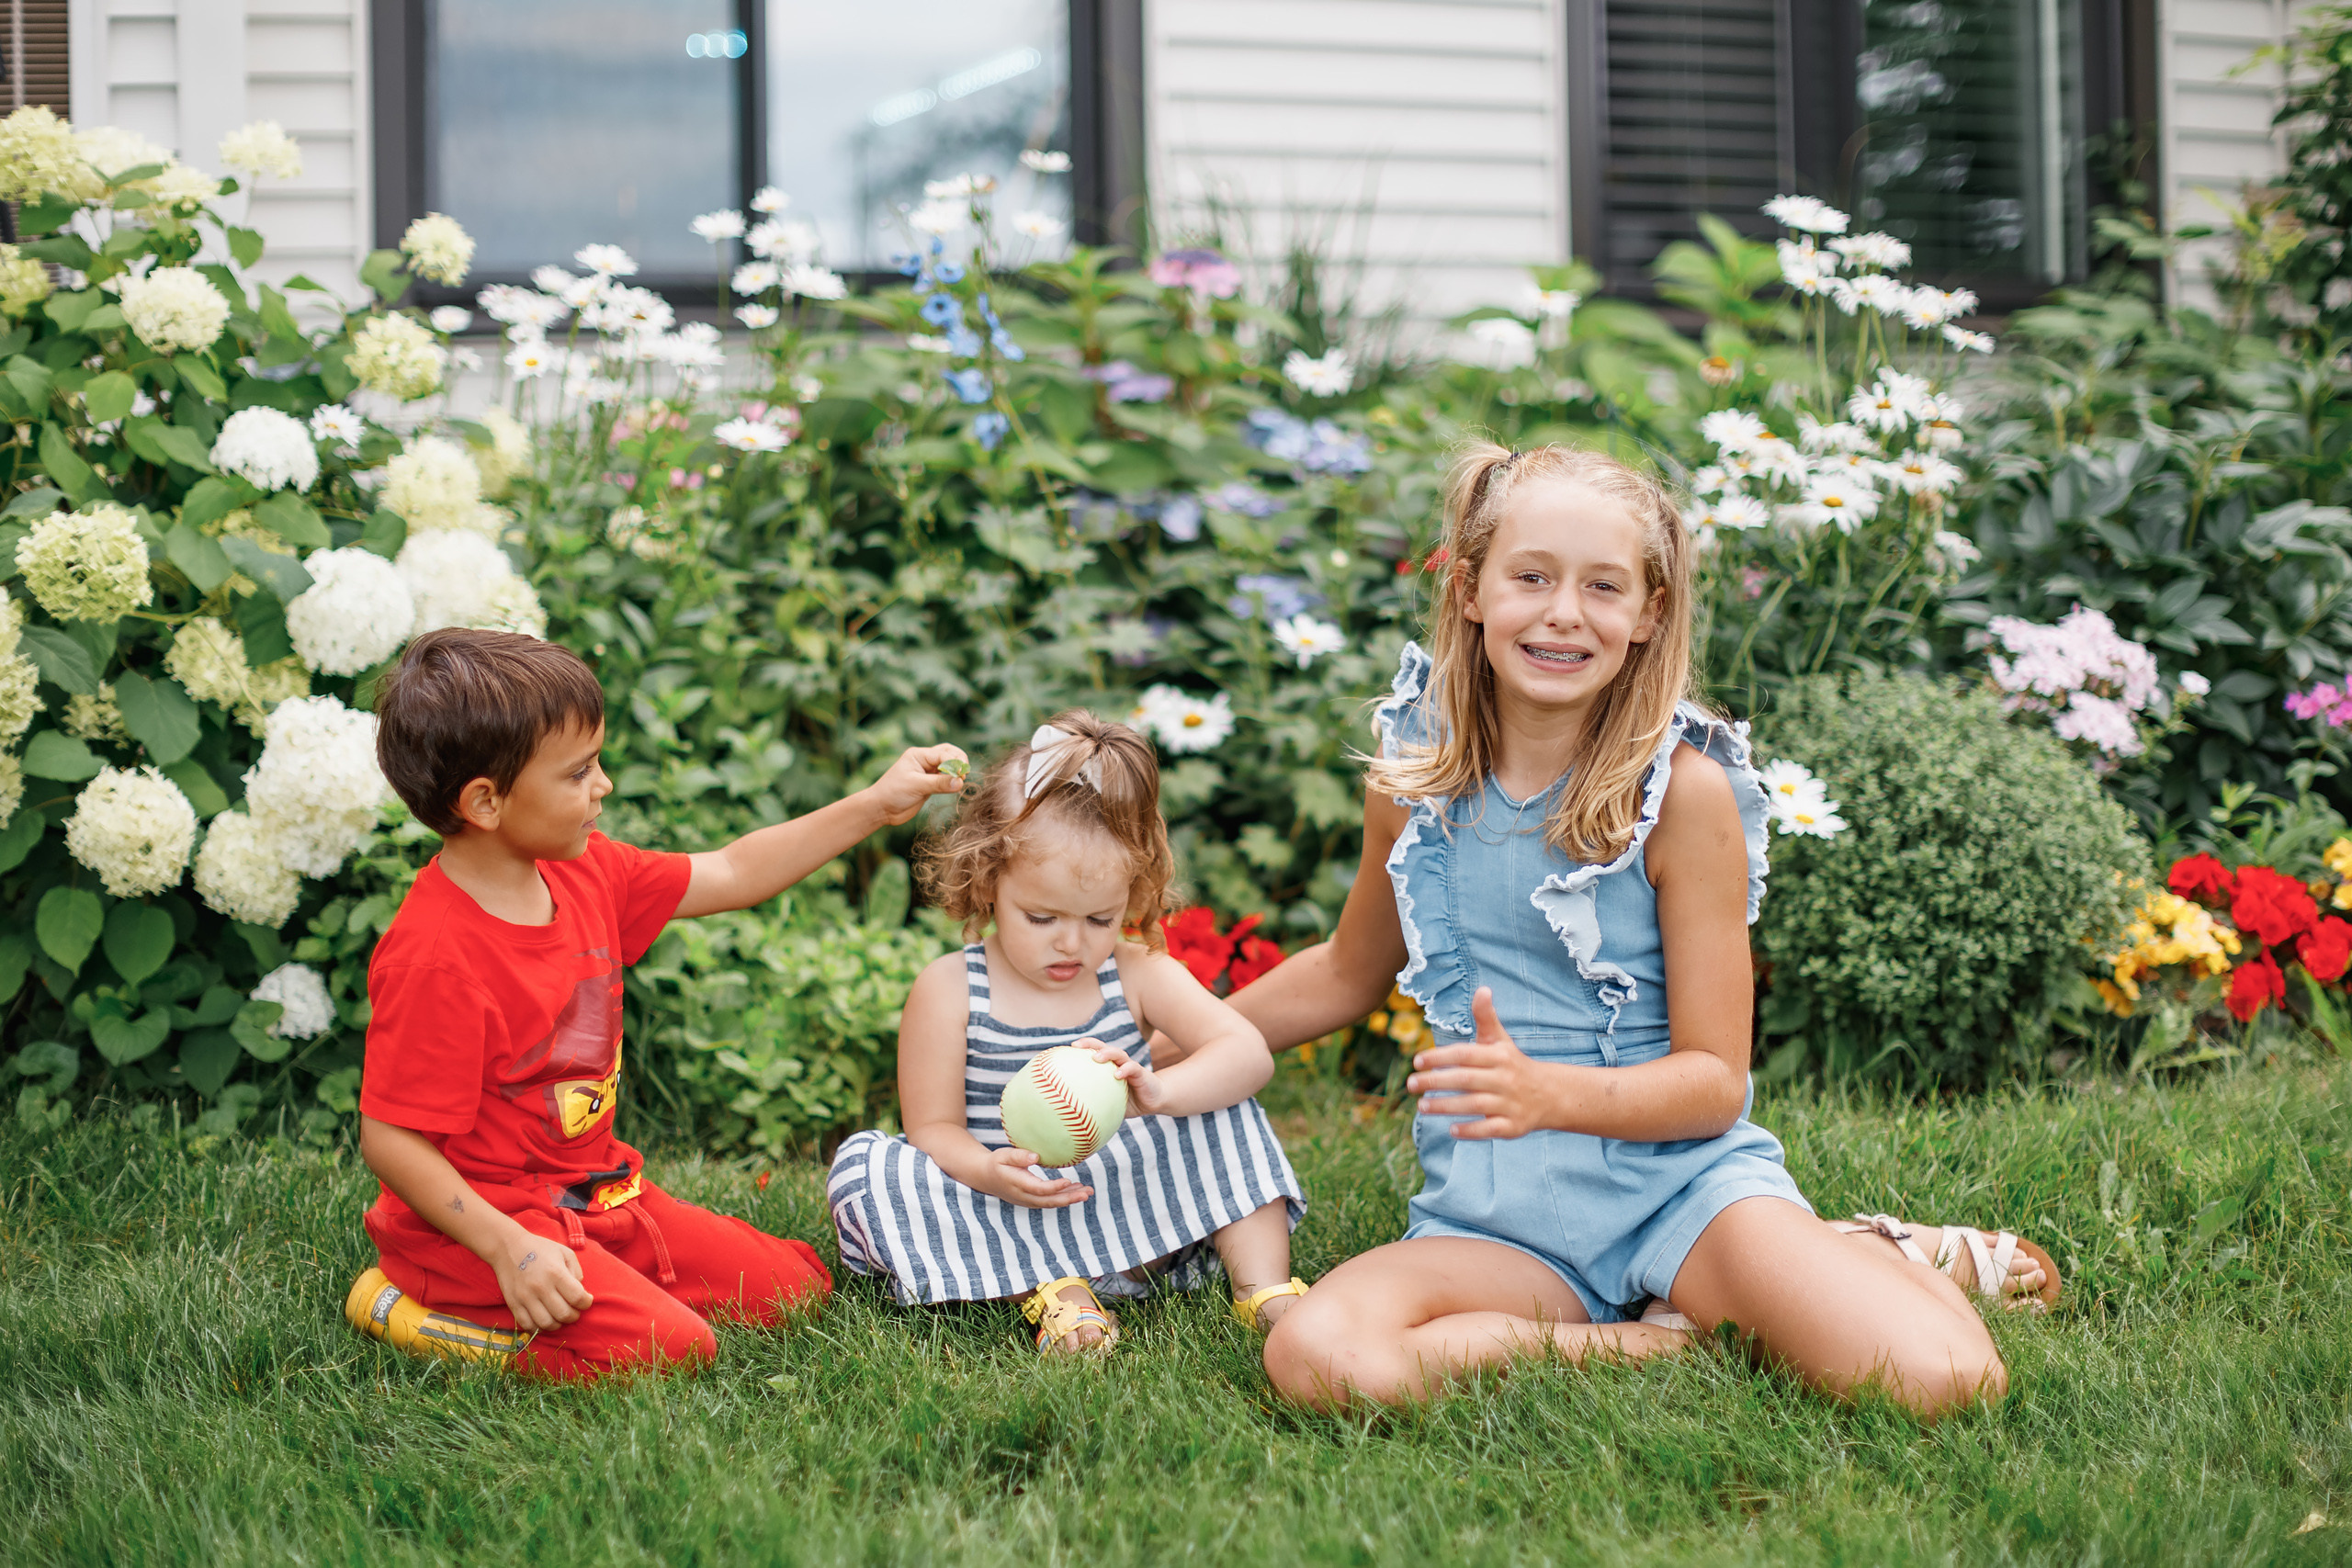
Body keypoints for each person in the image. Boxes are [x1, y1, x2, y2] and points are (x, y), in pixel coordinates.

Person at [1216, 443, 2061, 1416]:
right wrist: (1163, 1040)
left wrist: (1548, 1091)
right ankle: (1661, 1340)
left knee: (1946, 1382)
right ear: (1470, 590)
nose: (1563, 612)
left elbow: (1714, 1082)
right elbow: (1344, 970)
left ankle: (1873, 1252)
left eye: (1603, 586)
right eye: (1532, 577)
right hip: (1496, 1221)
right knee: (1318, 1356)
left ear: (1649, 613)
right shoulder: (1415, 779)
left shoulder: (1683, 800)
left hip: (1680, 1195)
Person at [345, 627, 966, 1380]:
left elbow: (734, 871)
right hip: (482, 1229)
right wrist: (511, 1249)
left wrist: (875, 804)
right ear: (485, 801)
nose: (602, 785)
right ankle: (406, 1309)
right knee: (672, 1348)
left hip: (598, 1194)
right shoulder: (436, 957)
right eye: (578, 772)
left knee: (795, 1287)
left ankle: (602, 1268)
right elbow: (391, 1139)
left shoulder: (584, 872)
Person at [827, 711, 1306, 1354]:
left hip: (1125, 1200)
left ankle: (1265, 1291)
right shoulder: (949, 989)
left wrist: (1160, 1092)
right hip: (1008, 1205)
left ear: (1130, 894)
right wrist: (988, 1170)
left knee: (1223, 1099)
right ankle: (1058, 1293)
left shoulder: (1135, 972)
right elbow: (933, 1128)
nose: (1072, 943)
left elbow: (1247, 1052)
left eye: (1099, 918)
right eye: (1042, 916)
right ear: (988, 880)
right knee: (868, 1166)